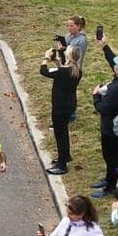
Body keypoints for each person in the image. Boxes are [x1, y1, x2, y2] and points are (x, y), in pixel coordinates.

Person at [90, 41, 118, 197]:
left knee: (110, 157)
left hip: (110, 128)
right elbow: (115, 62)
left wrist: (96, 95)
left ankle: (109, 186)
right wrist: (105, 47)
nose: (114, 67)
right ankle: (109, 178)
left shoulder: (116, 89)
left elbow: (102, 108)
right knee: (112, 157)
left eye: (116, 67)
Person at [39, 37, 79, 175]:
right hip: (69, 104)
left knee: (59, 133)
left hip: (60, 106)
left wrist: (45, 58)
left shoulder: (63, 72)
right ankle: (65, 155)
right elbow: (62, 70)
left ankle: (62, 165)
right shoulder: (76, 70)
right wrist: (56, 61)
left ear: (68, 55)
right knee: (64, 130)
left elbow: (44, 71)